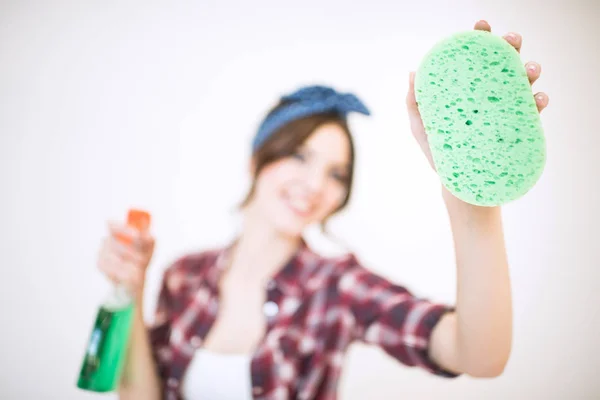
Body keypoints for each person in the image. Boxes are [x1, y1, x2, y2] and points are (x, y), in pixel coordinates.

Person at [98, 20, 549, 400]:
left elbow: (478, 355)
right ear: (258, 159)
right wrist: (130, 293)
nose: (315, 185)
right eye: (299, 157)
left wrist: (471, 190)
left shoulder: (337, 287)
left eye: (336, 174)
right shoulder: (184, 277)